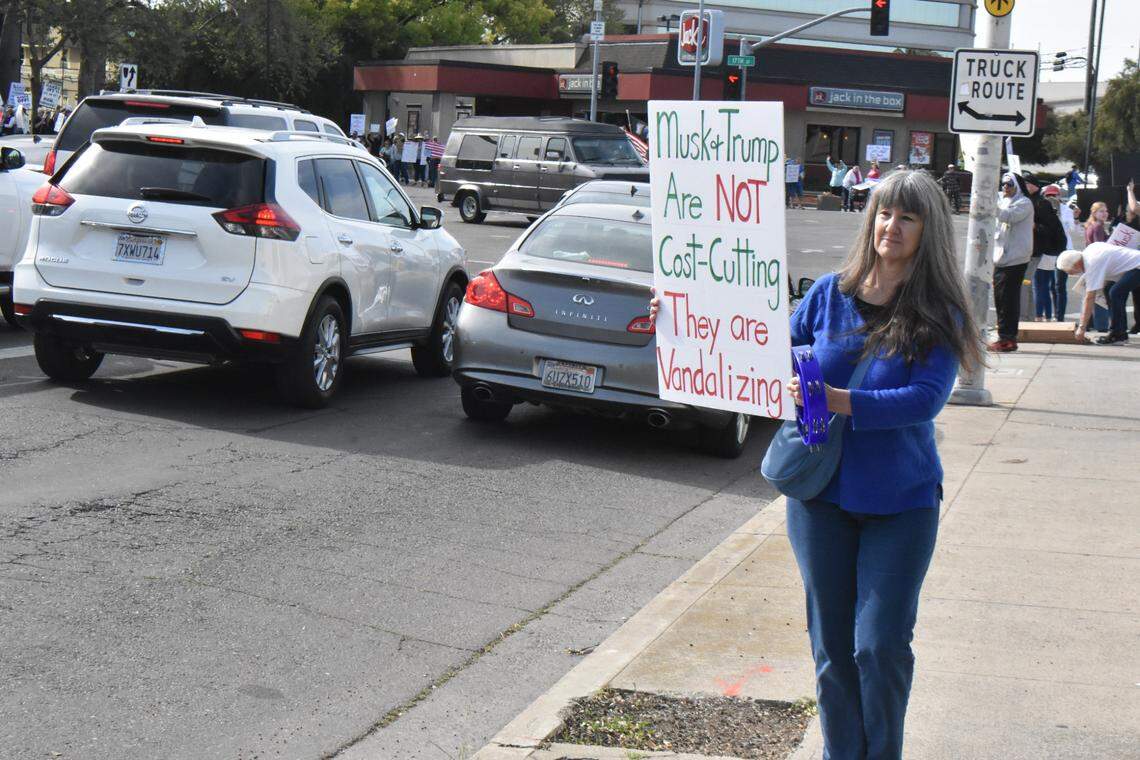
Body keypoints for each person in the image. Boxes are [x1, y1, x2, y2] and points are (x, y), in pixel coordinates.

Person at [753, 171, 982, 760]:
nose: (891, 226)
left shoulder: (939, 313)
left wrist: (839, 402)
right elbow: (763, 349)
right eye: (883, 213)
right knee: (831, 652)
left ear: (928, 231)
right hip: (819, 498)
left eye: (907, 217)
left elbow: (924, 399)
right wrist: (680, 314)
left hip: (899, 504)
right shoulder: (828, 292)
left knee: (878, 647)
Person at [1058, 242, 1140, 344]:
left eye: (1070, 271)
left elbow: (1089, 297)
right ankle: (1118, 332)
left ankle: (1119, 334)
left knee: (1115, 293)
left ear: (1077, 264)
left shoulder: (1091, 264)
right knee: (1109, 289)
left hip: (1137, 267)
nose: (1072, 274)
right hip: (1134, 265)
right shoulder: (1089, 250)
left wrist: (1082, 328)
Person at [990, 173, 1034, 352]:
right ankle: (1003, 334)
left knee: (1008, 299)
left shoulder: (1024, 203)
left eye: (1008, 184)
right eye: (1003, 185)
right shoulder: (1004, 201)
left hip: (1015, 258)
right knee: (1000, 298)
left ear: (1017, 186)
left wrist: (989, 200)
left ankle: (1008, 337)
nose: (1005, 188)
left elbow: (1008, 217)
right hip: (1001, 257)